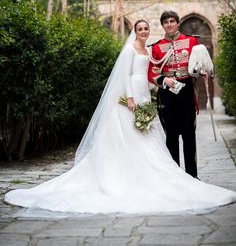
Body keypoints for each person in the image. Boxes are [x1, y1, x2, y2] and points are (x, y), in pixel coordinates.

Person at [4, 20, 236, 214]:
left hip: (145, 93)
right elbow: (126, 75)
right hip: (132, 95)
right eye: (140, 29)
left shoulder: (148, 50)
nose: (144, 32)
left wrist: (163, 82)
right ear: (135, 31)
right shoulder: (129, 50)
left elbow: (151, 73)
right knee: (128, 133)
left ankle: (158, 172)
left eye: (147, 29)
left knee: (147, 135)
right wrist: (131, 98)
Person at [148, 11, 199, 178]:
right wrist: (164, 80)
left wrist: (203, 71)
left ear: (178, 23)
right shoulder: (156, 47)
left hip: (186, 90)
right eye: (166, 22)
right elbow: (152, 73)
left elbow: (200, 64)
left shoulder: (191, 41)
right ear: (162, 25)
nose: (169, 24)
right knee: (171, 135)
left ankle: (192, 175)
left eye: (172, 21)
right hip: (167, 93)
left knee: (189, 134)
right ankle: (176, 177)